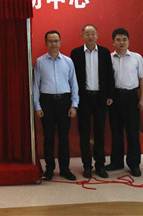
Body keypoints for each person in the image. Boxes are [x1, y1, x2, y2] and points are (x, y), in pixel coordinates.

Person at [33, 30, 79, 181]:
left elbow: (74, 84)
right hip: (47, 102)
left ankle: (65, 169)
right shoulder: (40, 62)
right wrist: (37, 106)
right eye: (51, 41)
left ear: (60, 42)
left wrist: (74, 105)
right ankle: (49, 169)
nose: (54, 44)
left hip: (64, 102)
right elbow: (35, 85)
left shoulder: (68, 61)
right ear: (46, 43)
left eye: (56, 40)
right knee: (49, 137)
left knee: (64, 137)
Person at [70, 24, 115, 179]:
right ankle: (87, 166)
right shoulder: (76, 53)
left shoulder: (104, 52)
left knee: (100, 133)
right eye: (87, 34)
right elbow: (73, 78)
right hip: (83, 99)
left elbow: (109, 75)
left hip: (100, 98)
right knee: (84, 133)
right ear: (82, 36)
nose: (90, 36)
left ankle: (100, 165)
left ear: (97, 35)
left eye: (93, 33)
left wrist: (110, 95)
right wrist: (74, 99)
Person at [106, 28, 143, 177]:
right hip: (114, 97)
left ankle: (134, 164)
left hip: (131, 97)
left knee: (132, 132)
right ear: (113, 42)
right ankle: (116, 162)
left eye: (124, 39)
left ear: (128, 41)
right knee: (116, 131)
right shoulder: (108, 58)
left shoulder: (136, 57)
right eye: (118, 40)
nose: (121, 42)